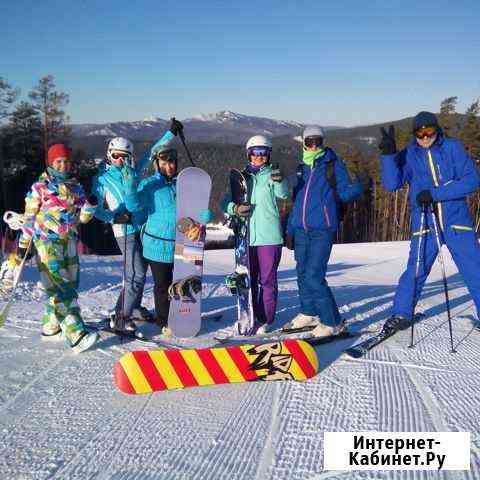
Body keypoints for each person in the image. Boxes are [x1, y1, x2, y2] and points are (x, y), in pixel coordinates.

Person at [379, 111, 480, 331]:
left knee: (475, 268)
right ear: (414, 134)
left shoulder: (452, 148)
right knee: (415, 270)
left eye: (430, 132)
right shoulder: (410, 154)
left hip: (456, 221)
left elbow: (472, 180)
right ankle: (401, 314)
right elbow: (391, 184)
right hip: (425, 221)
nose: (425, 137)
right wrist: (388, 156)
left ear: (437, 130)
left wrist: (435, 194)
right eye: (420, 133)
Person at [0, 144, 98, 353]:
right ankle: (76, 334)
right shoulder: (40, 188)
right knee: (60, 287)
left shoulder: (75, 187)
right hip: (46, 242)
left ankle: (51, 327)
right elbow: (29, 220)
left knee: (70, 284)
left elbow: (83, 218)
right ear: (51, 163)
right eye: (58, 162)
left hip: (69, 241)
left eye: (66, 161)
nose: (63, 165)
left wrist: (90, 206)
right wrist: (21, 250)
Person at [92, 119, 183, 332]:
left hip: (141, 229)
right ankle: (121, 315)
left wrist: (170, 133)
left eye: (125, 157)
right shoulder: (103, 179)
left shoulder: (132, 171)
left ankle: (133, 307)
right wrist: (113, 217)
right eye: (116, 156)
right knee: (136, 274)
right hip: (124, 231)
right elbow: (95, 208)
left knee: (139, 272)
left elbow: (152, 153)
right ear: (109, 155)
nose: (121, 161)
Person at [124, 143, 212, 334]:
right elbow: (133, 206)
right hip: (158, 244)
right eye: (164, 163)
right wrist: (130, 186)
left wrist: (205, 217)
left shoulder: (184, 183)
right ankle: (164, 321)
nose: (169, 166)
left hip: (184, 243)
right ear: (157, 163)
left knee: (183, 281)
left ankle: (182, 315)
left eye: (172, 162)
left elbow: (198, 208)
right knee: (163, 285)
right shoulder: (149, 185)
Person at [286, 125, 363, 337]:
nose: (313, 146)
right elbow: (297, 200)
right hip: (301, 229)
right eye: (309, 141)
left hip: (322, 229)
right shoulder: (301, 166)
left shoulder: (331, 164)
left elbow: (345, 192)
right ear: (303, 142)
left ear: (323, 142)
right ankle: (309, 312)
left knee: (313, 275)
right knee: (301, 272)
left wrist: (360, 186)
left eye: (317, 141)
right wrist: (291, 228)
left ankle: (332, 322)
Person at [222, 135, 289, 335]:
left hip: (269, 237)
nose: (259, 156)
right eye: (255, 152)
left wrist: (280, 180)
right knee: (248, 280)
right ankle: (249, 315)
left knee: (267, 281)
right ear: (249, 154)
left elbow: (283, 193)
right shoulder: (241, 178)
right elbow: (224, 202)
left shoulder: (272, 175)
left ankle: (265, 318)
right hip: (246, 237)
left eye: (263, 153)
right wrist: (234, 208)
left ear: (268, 155)